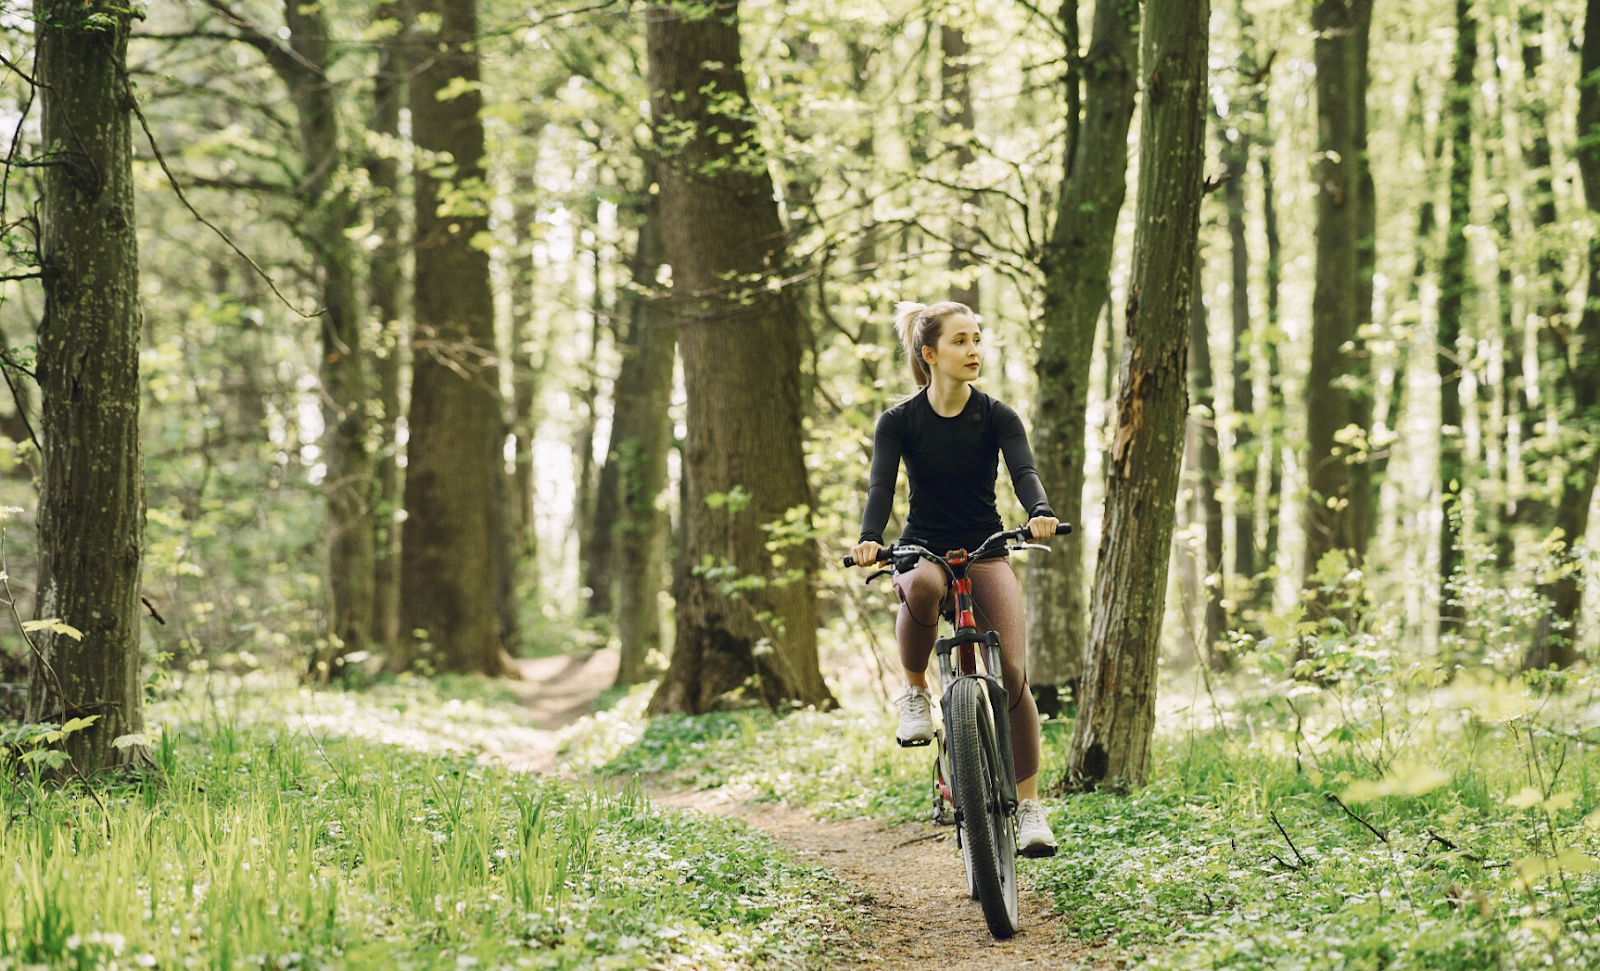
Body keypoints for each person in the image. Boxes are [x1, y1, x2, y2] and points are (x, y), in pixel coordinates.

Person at [850, 300, 1060, 859]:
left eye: (978, 339)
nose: (974, 350)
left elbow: (1023, 471)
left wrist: (1040, 512)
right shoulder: (899, 421)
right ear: (930, 354)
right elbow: (880, 488)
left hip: (987, 547)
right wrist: (871, 537)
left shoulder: (996, 415)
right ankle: (916, 691)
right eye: (961, 341)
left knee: (1012, 671)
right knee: (919, 586)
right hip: (925, 546)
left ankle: (1031, 807)